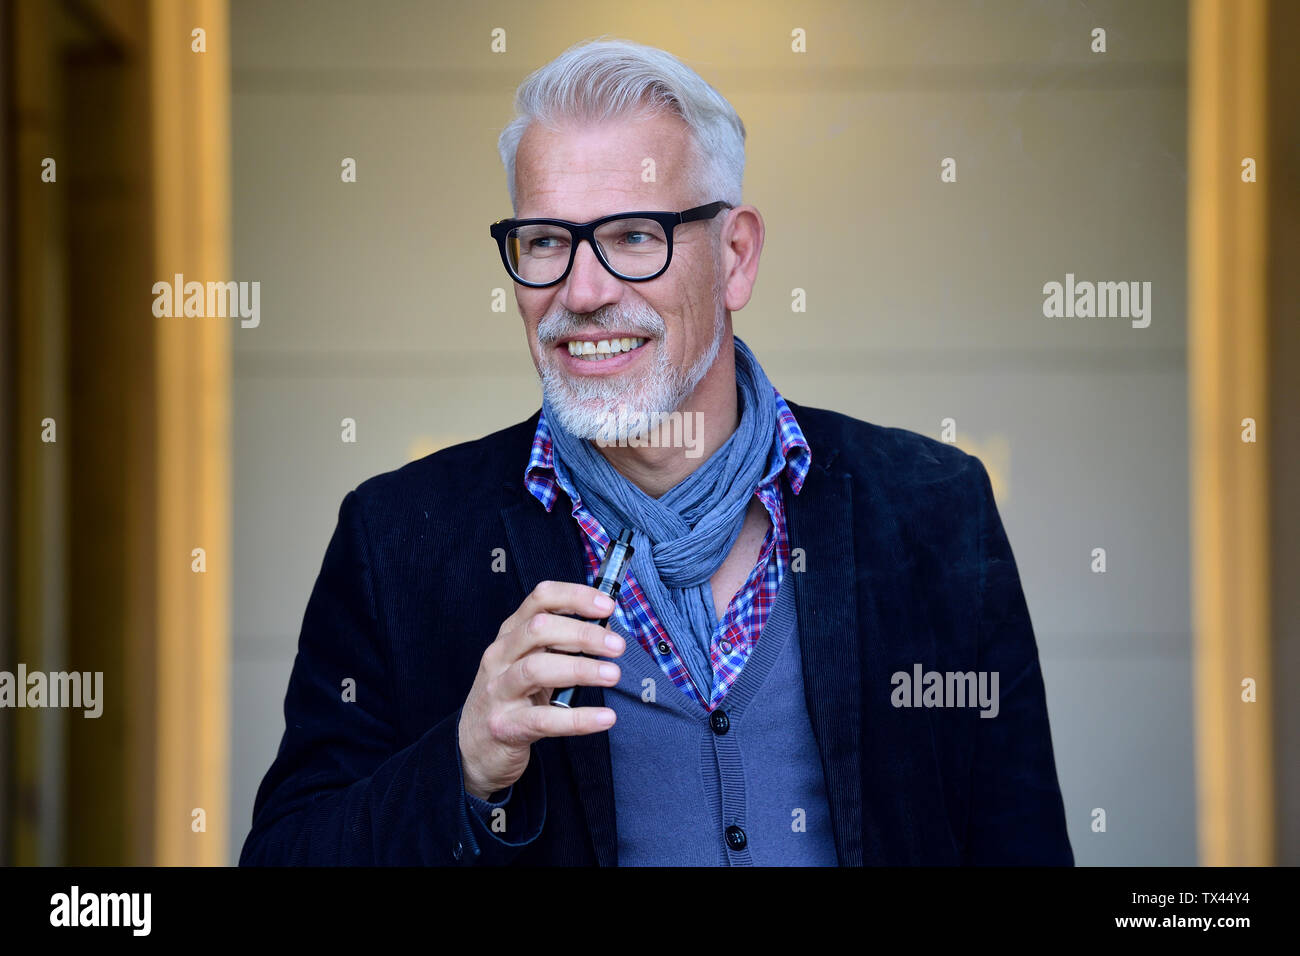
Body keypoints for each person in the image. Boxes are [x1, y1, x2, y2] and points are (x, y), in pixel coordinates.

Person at [240, 36, 1073, 866]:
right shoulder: (398, 540)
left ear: (736, 256)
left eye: (635, 236)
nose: (583, 290)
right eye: (544, 242)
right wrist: (461, 768)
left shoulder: (934, 511)